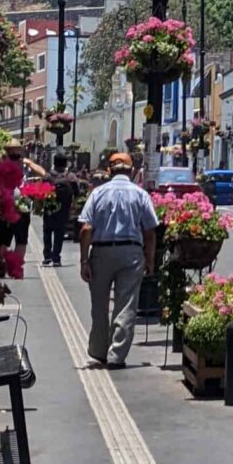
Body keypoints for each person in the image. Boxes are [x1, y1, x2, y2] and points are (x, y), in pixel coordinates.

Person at [78, 151, 158, 369]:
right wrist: (150, 260)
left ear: (109, 171)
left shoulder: (98, 194)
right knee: (126, 305)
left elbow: (86, 228)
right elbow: (150, 230)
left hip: (101, 252)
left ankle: (98, 350)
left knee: (99, 305)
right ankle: (116, 355)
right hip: (131, 253)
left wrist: (84, 261)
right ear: (132, 171)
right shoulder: (140, 195)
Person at [43, 155, 79, 267]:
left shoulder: (48, 176)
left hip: (49, 208)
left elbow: (41, 191)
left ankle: (47, 256)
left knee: (47, 232)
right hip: (63, 209)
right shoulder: (70, 177)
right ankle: (56, 257)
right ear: (65, 164)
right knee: (59, 234)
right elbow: (76, 192)